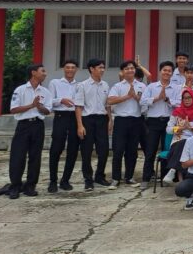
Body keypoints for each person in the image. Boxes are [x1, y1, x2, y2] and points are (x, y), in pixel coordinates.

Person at [6, 64, 52, 199]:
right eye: (42, 71)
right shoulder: (20, 90)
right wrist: (32, 105)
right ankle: (15, 186)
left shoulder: (45, 91)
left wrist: (39, 107)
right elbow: (13, 109)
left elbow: (48, 111)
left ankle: (30, 186)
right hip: (23, 126)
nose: (45, 74)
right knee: (18, 156)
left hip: (38, 125)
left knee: (35, 157)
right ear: (33, 73)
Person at [139, 61, 181, 190]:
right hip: (153, 122)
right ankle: (146, 178)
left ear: (172, 73)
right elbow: (142, 101)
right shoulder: (151, 87)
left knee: (167, 149)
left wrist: (167, 99)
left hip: (169, 121)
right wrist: (157, 98)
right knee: (150, 150)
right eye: (164, 70)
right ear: (160, 71)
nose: (167, 73)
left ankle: (164, 177)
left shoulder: (176, 88)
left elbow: (179, 104)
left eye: (169, 71)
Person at [107, 60, 147, 189]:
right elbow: (110, 100)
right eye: (127, 69)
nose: (130, 70)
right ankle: (115, 179)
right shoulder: (117, 86)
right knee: (118, 150)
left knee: (132, 151)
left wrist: (135, 97)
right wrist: (127, 96)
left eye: (132, 68)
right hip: (121, 121)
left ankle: (129, 177)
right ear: (123, 72)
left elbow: (146, 103)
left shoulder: (141, 86)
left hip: (136, 121)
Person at [75, 58, 110, 191]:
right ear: (91, 69)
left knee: (104, 150)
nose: (102, 70)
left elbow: (107, 105)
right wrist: (80, 125)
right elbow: (78, 106)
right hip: (87, 120)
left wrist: (110, 120)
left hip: (102, 120)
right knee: (86, 151)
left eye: (103, 67)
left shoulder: (106, 85)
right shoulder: (82, 85)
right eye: (100, 67)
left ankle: (100, 176)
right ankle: (88, 179)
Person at [47, 59, 79, 193]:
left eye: (73, 67)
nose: (70, 70)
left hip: (75, 118)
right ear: (63, 69)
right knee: (56, 149)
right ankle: (53, 181)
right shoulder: (55, 83)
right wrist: (61, 100)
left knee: (73, 150)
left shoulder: (80, 85)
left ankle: (65, 180)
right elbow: (49, 101)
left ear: (76, 69)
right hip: (60, 117)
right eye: (67, 67)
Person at [162, 87, 193, 185]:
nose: (187, 100)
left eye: (189, 98)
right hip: (177, 142)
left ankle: (173, 170)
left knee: (185, 144)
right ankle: (180, 179)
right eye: (184, 98)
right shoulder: (176, 113)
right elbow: (168, 129)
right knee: (182, 145)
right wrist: (180, 128)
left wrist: (191, 128)